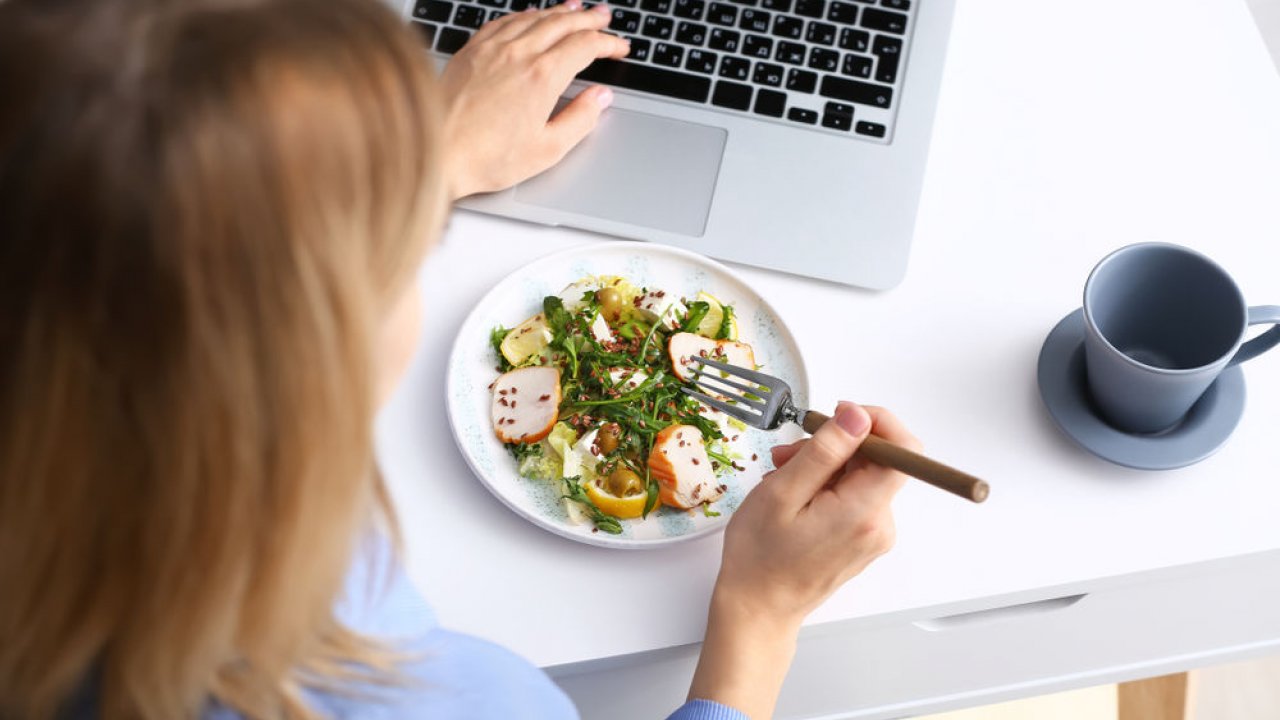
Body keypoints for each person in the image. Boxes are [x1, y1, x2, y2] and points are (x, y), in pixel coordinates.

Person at [0, 0, 918, 718]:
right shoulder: (430, 698)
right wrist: (756, 625)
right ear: (311, 359)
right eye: (403, 248)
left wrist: (430, 161)